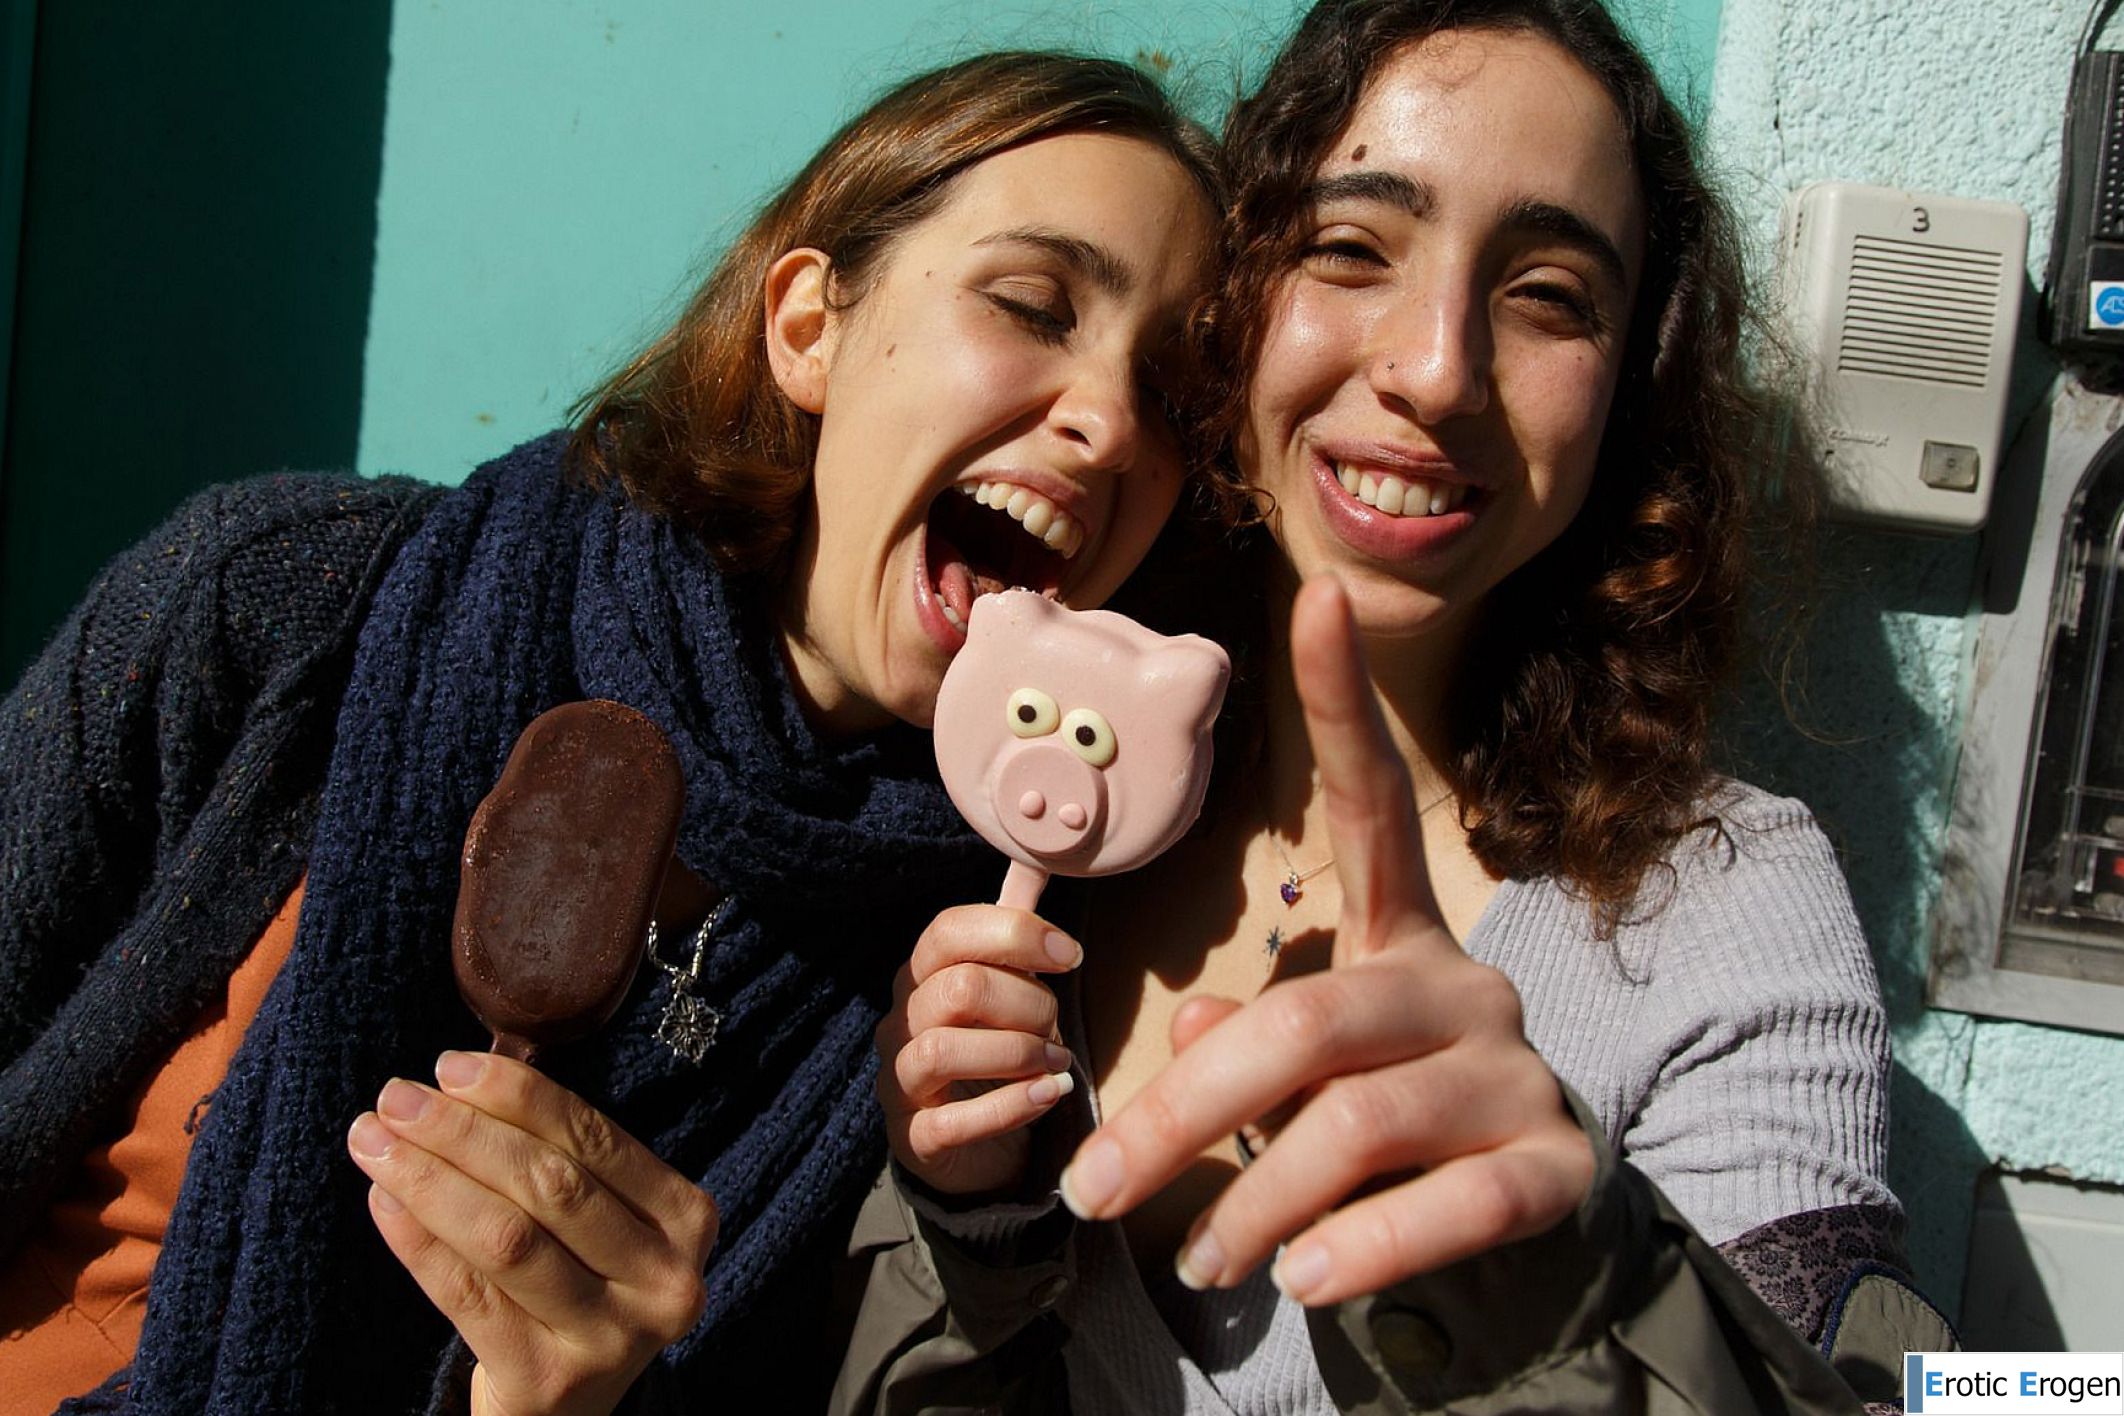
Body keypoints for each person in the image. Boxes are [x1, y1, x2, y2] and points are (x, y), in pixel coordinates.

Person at [0, 51, 1222, 1415]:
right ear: (809, 325)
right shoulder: (288, 605)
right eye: (1033, 303)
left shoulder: (974, 1042)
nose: (1110, 424)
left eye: (1170, 395)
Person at [849, 2, 1955, 1412]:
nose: (1436, 368)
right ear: (1231, 304)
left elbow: (1940, 1393)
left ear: (1632, 389)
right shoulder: (984, 789)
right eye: (1352, 249)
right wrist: (960, 1225)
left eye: (1550, 293)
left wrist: (1586, 1281)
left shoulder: (1722, 907)